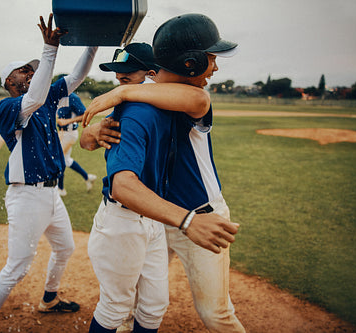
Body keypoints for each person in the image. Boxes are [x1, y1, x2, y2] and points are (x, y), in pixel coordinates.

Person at [81, 14, 241, 333]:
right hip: (156, 212)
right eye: (211, 58)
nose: (216, 67)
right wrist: (94, 132)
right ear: (192, 63)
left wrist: (124, 94)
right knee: (135, 301)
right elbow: (92, 138)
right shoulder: (144, 103)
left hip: (200, 215)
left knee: (213, 313)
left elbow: (197, 98)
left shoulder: (178, 100)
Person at [0, 14, 98, 333]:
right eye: (23, 70)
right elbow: (35, 96)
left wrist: (95, 41)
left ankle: (49, 300)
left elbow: (77, 77)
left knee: (65, 247)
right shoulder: (8, 107)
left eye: (31, 69)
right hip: (27, 195)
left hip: (51, 193)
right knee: (17, 267)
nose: (30, 72)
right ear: (9, 82)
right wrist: (48, 50)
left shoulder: (44, 100)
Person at [56, 92, 97, 196]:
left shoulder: (72, 97)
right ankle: (88, 177)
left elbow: (84, 115)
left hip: (69, 132)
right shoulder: (59, 96)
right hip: (62, 132)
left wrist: (67, 121)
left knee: (59, 159)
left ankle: (60, 189)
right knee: (66, 160)